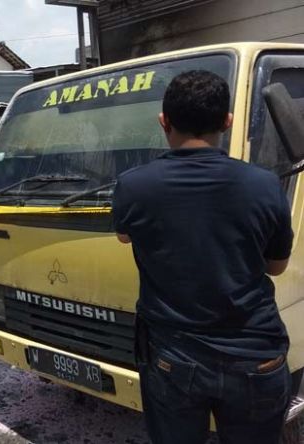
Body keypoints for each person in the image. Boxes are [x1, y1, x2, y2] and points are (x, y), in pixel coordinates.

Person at [112, 70, 293, 444]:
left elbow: (124, 236)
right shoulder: (265, 185)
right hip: (256, 357)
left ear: (164, 122)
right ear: (226, 122)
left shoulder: (133, 185)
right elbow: (276, 266)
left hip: (173, 358)